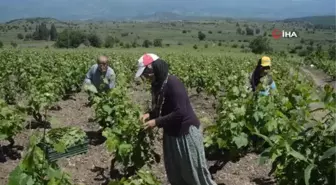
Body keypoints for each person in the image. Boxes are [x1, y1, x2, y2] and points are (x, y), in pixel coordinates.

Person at [135, 53, 216, 185]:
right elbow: (160, 108)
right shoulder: (157, 85)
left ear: (155, 68)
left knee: (194, 173)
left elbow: (180, 112)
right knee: (176, 173)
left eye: (146, 73)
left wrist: (156, 122)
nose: (146, 77)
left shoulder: (173, 82)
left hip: (185, 134)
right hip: (171, 135)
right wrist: (149, 115)